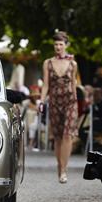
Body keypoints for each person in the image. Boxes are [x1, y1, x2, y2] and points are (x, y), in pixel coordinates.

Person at [39, 31, 78, 184]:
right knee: (57, 136)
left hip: (69, 101)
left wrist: (76, 101)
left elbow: (74, 84)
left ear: (65, 46)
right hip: (54, 100)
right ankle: (59, 164)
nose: (58, 47)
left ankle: (64, 170)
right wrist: (41, 102)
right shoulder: (47, 63)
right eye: (55, 44)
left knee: (68, 134)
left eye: (61, 44)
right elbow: (46, 85)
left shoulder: (73, 63)